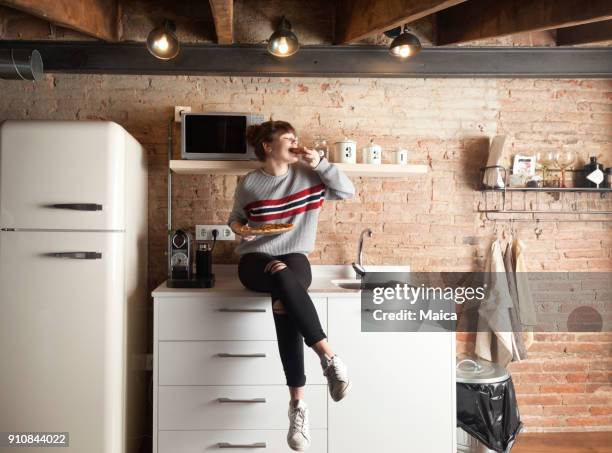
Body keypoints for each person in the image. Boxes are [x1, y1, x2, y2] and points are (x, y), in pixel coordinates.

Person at [228, 120, 355, 451]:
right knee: (279, 275)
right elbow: (235, 219)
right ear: (268, 147)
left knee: (283, 293)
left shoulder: (309, 174)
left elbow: (347, 191)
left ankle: (298, 406)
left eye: (296, 138)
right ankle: (329, 357)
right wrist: (242, 230)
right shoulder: (250, 183)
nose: (296, 143)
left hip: (295, 257)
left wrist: (323, 165)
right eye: (288, 139)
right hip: (254, 259)